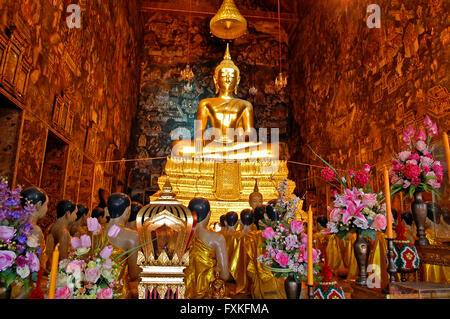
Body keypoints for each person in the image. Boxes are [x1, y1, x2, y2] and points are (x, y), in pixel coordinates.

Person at [185, 198, 229, 299]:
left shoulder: (180, 237)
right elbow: (225, 274)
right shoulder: (217, 238)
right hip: (209, 293)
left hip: (184, 292)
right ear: (209, 214)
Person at [105, 193, 140, 298]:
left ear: (106, 210)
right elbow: (134, 274)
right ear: (127, 211)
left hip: (95, 290)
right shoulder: (132, 236)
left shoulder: (94, 231)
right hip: (118, 292)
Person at [46, 200, 78, 269]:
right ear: (68, 213)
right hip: (57, 271)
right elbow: (63, 259)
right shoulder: (63, 232)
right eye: (75, 213)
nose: (76, 217)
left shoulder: (51, 226)